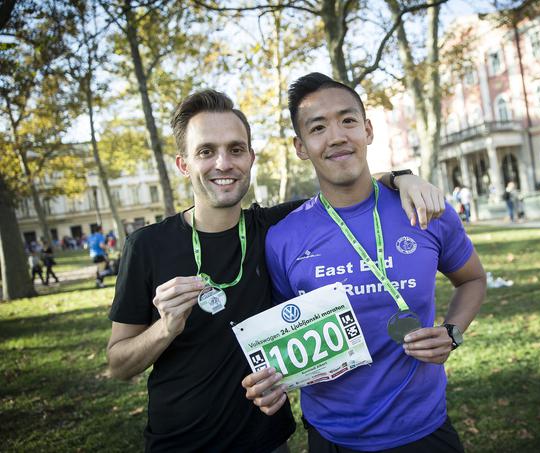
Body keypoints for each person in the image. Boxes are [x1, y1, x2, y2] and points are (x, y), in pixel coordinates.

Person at [106, 88, 446, 452]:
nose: (223, 163)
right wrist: (165, 328)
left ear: (250, 158)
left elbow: (347, 180)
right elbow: (119, 365)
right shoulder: (146, 245)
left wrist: (403, 177)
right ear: (184, 164)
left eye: (236, 149)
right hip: (179, 443)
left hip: (267, 442)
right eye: (206, 151)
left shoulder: (277, 228)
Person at [243, 73, 486, 452]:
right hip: (332, 436)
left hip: (424, 430)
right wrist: (270, 381)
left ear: (368, 130)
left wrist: (452, 332)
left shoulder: (423, 209)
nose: (337, 136)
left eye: (348, 120)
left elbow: (472, 280)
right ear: (301, 147)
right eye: (318, 127)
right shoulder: (283, 238)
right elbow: (283, 332)